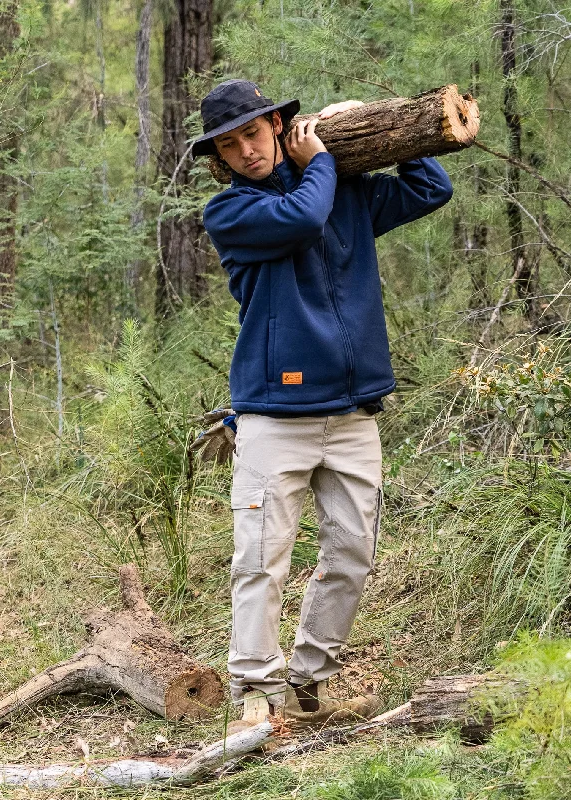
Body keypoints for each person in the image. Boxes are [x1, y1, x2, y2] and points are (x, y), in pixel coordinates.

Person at [192, 79, 453, 729]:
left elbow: (432, 189)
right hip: (273, 418)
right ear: (219, 158)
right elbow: (303, 215)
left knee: (351, 555)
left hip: (352, 413)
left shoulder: (343, 191)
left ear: (280, 127)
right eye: (230, 145)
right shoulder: (231, 214)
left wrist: (385, 130)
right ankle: (256, 696)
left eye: (254, 132)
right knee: (260, 561)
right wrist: (327, 164)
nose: (247, 151)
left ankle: (308, 682)